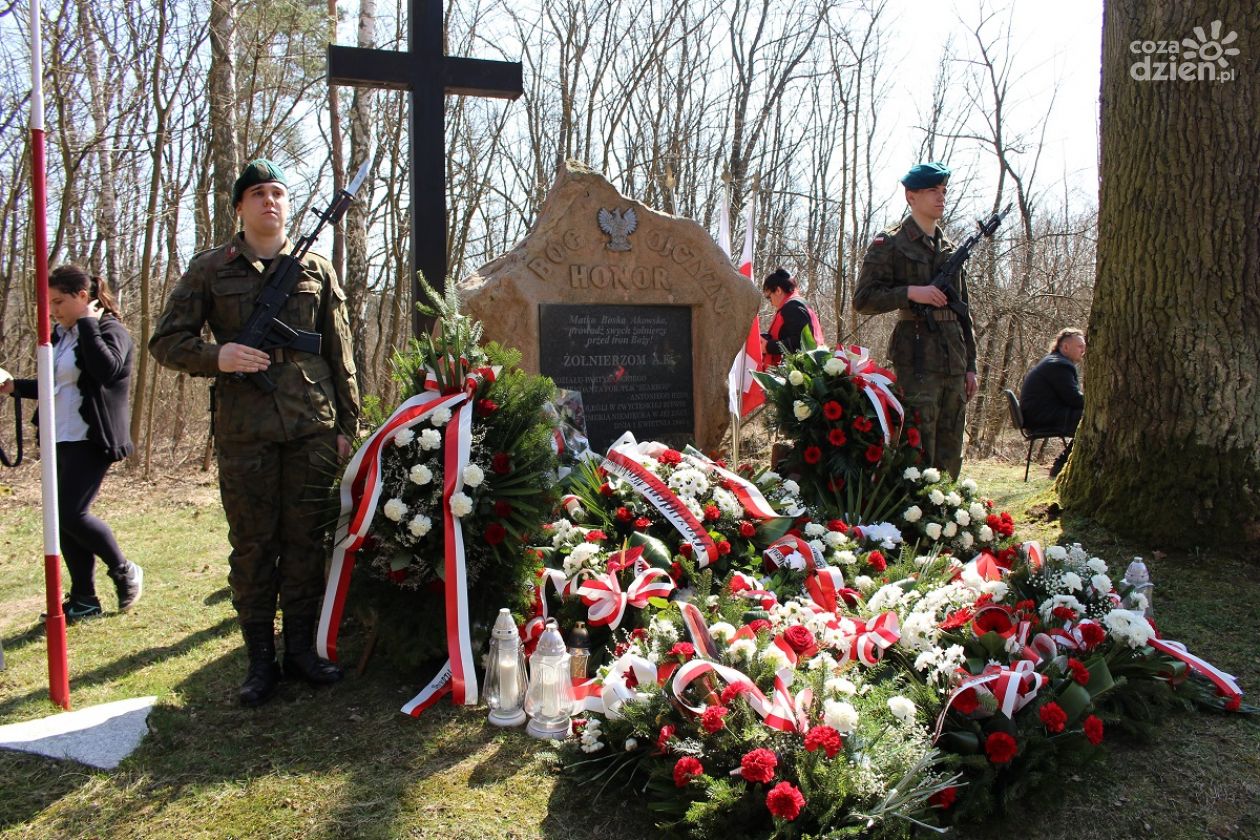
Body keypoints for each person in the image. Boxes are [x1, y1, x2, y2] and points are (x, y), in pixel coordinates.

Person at [150, 159, 360, 707]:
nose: (270, 201)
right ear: (240, 207)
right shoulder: (210, 269)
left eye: (278, 193)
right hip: (245, 433)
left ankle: (302, 652)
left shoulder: (315, 266)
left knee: (305, 543)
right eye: (257, 194)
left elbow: (341, 352)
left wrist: (348, 426)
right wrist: (218, 355)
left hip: (312, 428)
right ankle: (259, 662)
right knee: (252, 547)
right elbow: (165, 341)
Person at [0, 265, 142, 621]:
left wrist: (88, 325)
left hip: (92, 438)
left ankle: (124, 569)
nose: (53, 309)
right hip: (59, 437)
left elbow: (106, 371)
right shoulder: (62, 336)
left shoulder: (110, 330)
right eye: (50, 302)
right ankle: (84, 599)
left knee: (71, 514)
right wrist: (15, 386)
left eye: (60, 301)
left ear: (83, 296)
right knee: (60, 520)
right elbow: (58, 385)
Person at [854, 162, 977, 478]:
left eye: (943, 191)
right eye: (932, 191)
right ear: (911, 196)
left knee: (951, 453)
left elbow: (965, 311)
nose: (941, 197)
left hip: (954, 358)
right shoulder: (891, 243)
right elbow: (863, 299)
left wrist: (971, 366)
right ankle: (914, 518)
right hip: (918, 359)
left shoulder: (949, 248)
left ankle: (947, 517)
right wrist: (912, 293)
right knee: (917, 450)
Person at [1020, 328, 1086, 477]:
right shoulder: (1060, 365)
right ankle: (1060, 467)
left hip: (1039, 415)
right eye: (1080, 346)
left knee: (1088, 417)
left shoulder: (1054, 361)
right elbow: (1074, 399)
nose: (1084, 350)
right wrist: (1098, 402)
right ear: (1066, 347)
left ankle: (1061, 466)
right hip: (1041, 417)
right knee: (1090, 419)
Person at [761, 268, 824, 365]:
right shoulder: (798, 303)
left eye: (769, 297)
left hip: (801, 372)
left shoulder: (793, 307)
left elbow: (801, 343)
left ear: (778, 290)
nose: (771, 303)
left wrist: (768, 346)